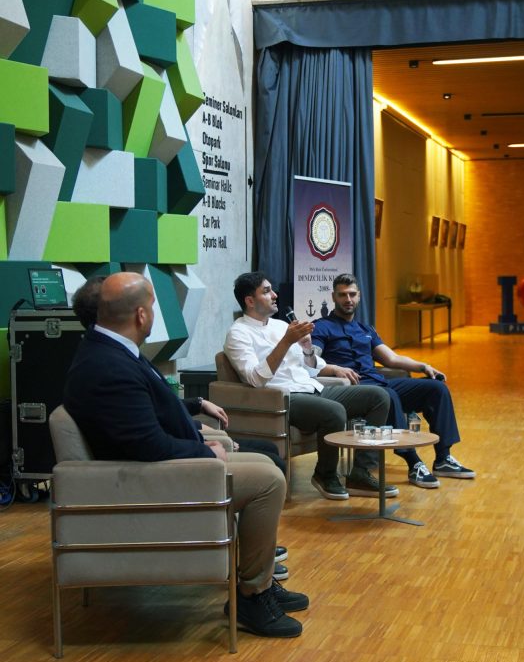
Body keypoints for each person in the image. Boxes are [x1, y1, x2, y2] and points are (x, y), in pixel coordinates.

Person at [64, 271, 308, 639]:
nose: (155, 314)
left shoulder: (111, 351)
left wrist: (199, 431)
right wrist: (203, 450)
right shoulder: (109, 365)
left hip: (164, 467)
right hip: (153, 480)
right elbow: (145, 444)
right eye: (153, 306)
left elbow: (149, 413)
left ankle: (259, 580)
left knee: (264, 461)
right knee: (269, 482)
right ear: (141, 316)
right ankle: (252, 596)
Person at [224, 272, 394, 501]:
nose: (274, 295)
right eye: (266, 291)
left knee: (379, 396)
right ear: (250, 301)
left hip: (312, 388)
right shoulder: (238, 333)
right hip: (283, 397)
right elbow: (255, 378)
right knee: (334, 411)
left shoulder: (280, 325)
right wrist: (286, 342)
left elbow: (311, 366)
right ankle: (325, 474)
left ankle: (360, 472)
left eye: (272, 290)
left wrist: (307, 350)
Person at [311, 273, 477, 489]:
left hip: (378, 382)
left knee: (436, 389)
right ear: (333, 297)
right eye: (342, 295)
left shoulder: (365, 330)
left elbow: (392, 358)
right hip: (354, 389)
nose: (348, 299)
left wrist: (423, 366)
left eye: (352, 294)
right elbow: (310, 362)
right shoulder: (320, 327)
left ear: (359, 296)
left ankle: (443, 458)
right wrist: (334, 369)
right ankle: (414, 462)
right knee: (387, 395)